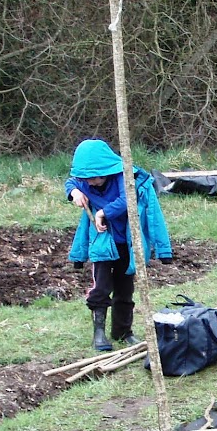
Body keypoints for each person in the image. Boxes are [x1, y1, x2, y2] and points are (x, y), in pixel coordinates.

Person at [65, 139, 172, 351]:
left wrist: (103, 212)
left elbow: (127, 200)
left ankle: (123, 331)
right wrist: (74, 192)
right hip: (103, 243)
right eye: (86, 180)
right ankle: (99, 334)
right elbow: (71, 183)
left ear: (105, 170)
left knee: (125, 289)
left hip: (127, 243)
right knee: (101, 287)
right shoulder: (84, 181)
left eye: (93, 178)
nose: (90, 183)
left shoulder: (125, 178)